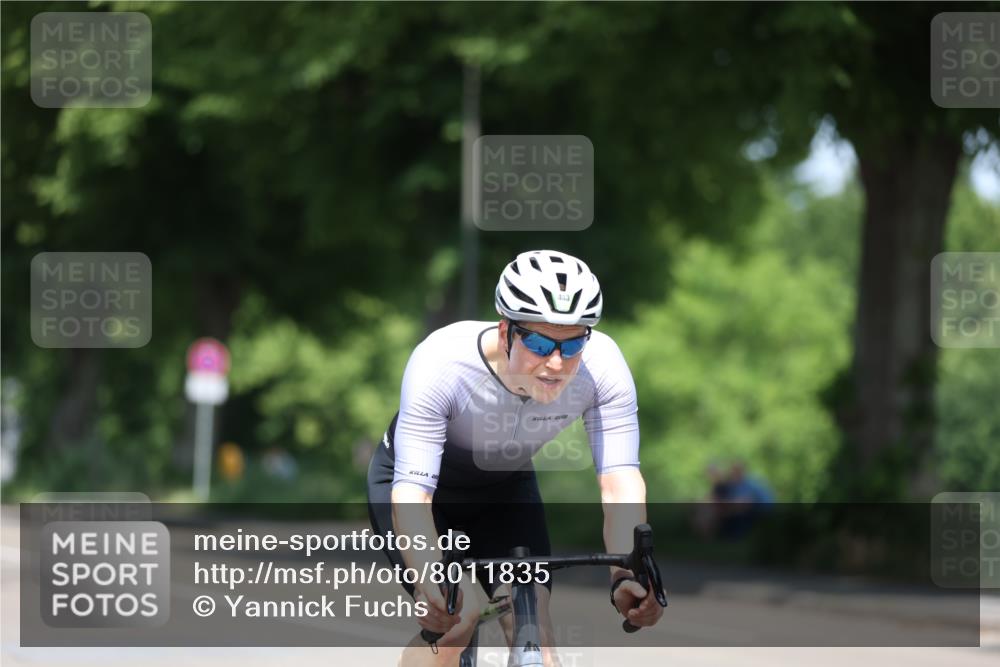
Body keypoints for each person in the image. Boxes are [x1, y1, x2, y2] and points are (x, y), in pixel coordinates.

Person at [367, 249, 664, 667]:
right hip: (419, 493)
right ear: (505, 330)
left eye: (574, 342)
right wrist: (433, 582)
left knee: (536, 639)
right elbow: (414, 496)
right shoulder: (441, 363)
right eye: (540, 343)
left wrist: (626, 573)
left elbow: (619, 481)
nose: (556, 363)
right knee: (458, 618)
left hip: (504, 489)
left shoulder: (604, 369)